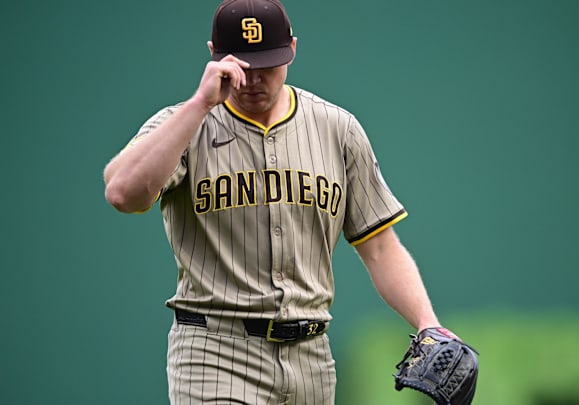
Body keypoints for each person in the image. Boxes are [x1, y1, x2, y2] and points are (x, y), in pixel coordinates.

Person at [103, 0, 445, 403]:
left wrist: (428, 323)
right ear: (215, 55)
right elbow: (122, 193)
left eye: (268, 64)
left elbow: (380, 246)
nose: (254, 80)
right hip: (215, 352)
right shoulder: (184, 124)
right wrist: (199, 105)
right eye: (244, 66)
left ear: (293, 50)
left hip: (311, 359)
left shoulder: (338, 129)